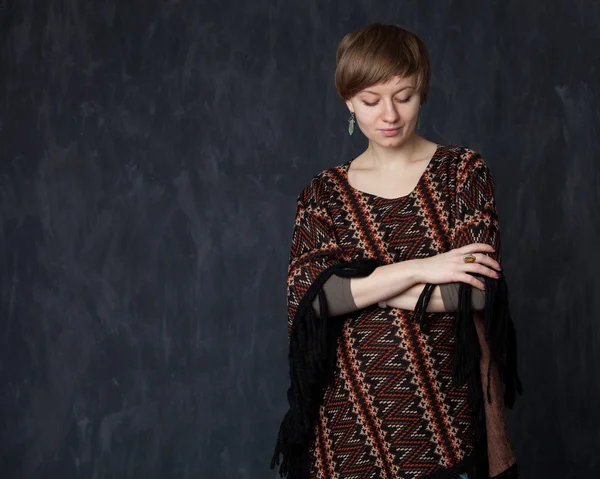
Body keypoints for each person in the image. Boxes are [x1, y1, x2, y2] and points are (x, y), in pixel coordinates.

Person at [271, 23, 522, 479]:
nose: (389, 114)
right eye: (370, 101)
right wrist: (425, 268)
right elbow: (312, 299)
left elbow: (478, 291)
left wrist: (361, 287)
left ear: (421, 92)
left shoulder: (461, 172)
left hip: (446, 421)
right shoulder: (322, 194)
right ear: (349, 101)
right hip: (344, 427)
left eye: (403, 96)